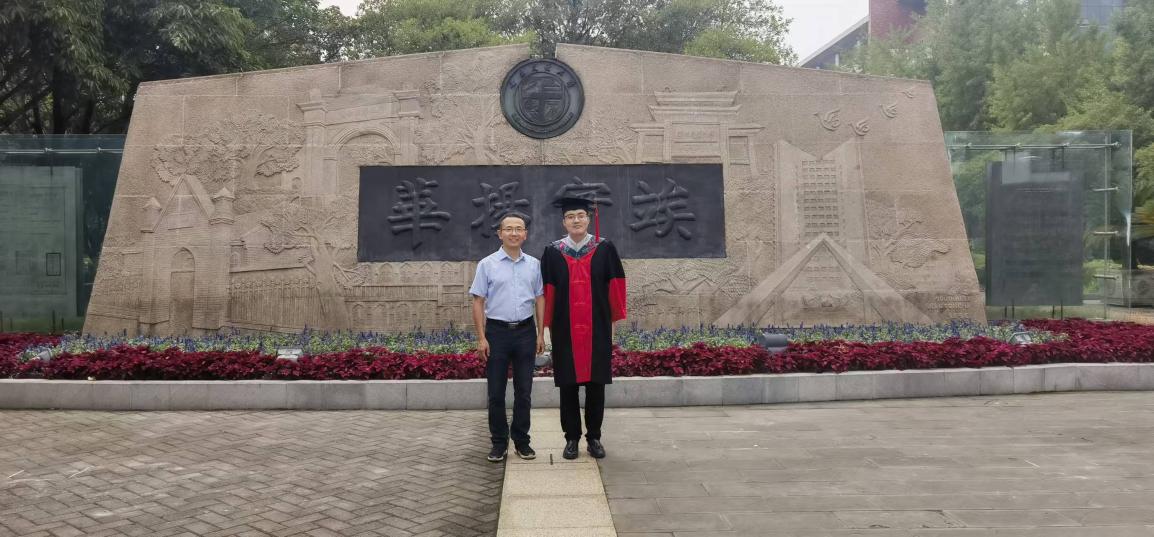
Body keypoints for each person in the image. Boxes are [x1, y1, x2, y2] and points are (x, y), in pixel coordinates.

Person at [540, 196, 626, 460]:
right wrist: (545, 327)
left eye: (580, 215)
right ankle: (571, 439)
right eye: (570, 217)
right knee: (568, 386)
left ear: (589, 219)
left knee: (596, 386)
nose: (575, 220)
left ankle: (594, 438)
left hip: (597, 327)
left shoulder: (605, 248)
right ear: (563, 222)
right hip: (564, 329)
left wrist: (613, 323)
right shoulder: (553, 252)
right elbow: (547, 292)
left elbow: (616, 285)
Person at [470, 212, 545, 463]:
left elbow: (540, 299)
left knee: (524, 391)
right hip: (497, 333)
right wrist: (482, 338)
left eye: (519, 229)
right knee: (496, 393)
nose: (514, 233)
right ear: (499, 234)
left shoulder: (534, 264)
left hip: (525, 332)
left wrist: (540, 333)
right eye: (509, 229)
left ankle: (522, 442)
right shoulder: (487, 264)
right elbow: (478, 301)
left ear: (525, 234)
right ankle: (499, 443)